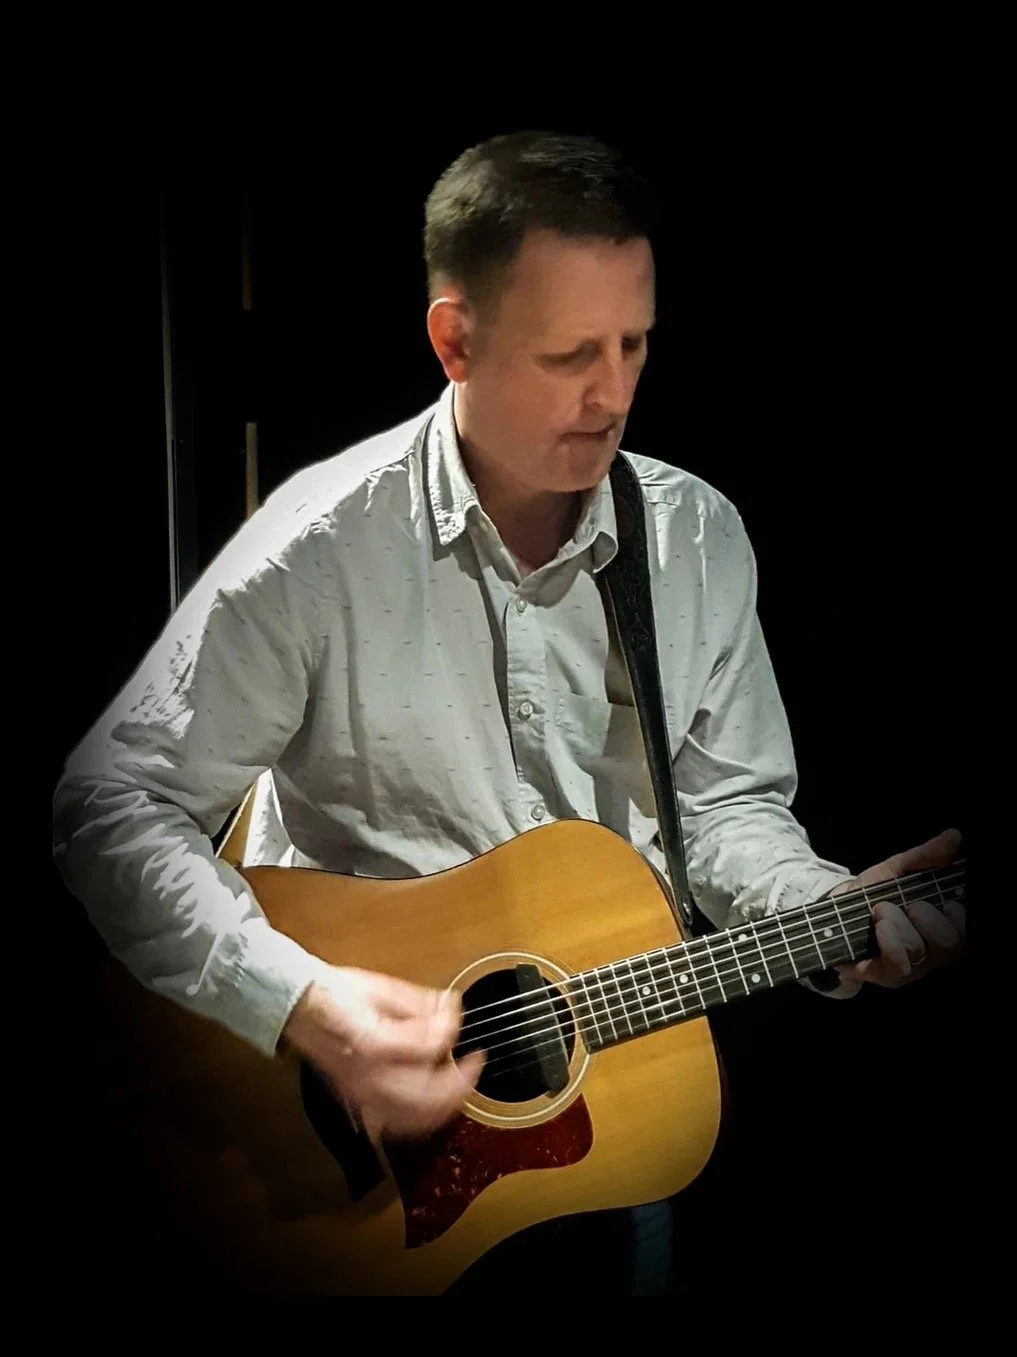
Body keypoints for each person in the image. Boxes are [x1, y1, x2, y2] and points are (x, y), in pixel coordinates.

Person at [52, 129, 965, 1296]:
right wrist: (300, 999)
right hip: (339, 1162)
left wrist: (825, 908)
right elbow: (107, 802)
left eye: (635, 343)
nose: (615, 392)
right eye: (569, 352)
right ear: (455, 340)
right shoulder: (319, 546)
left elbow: (727, 807)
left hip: (606, 1129)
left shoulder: (693, 538)